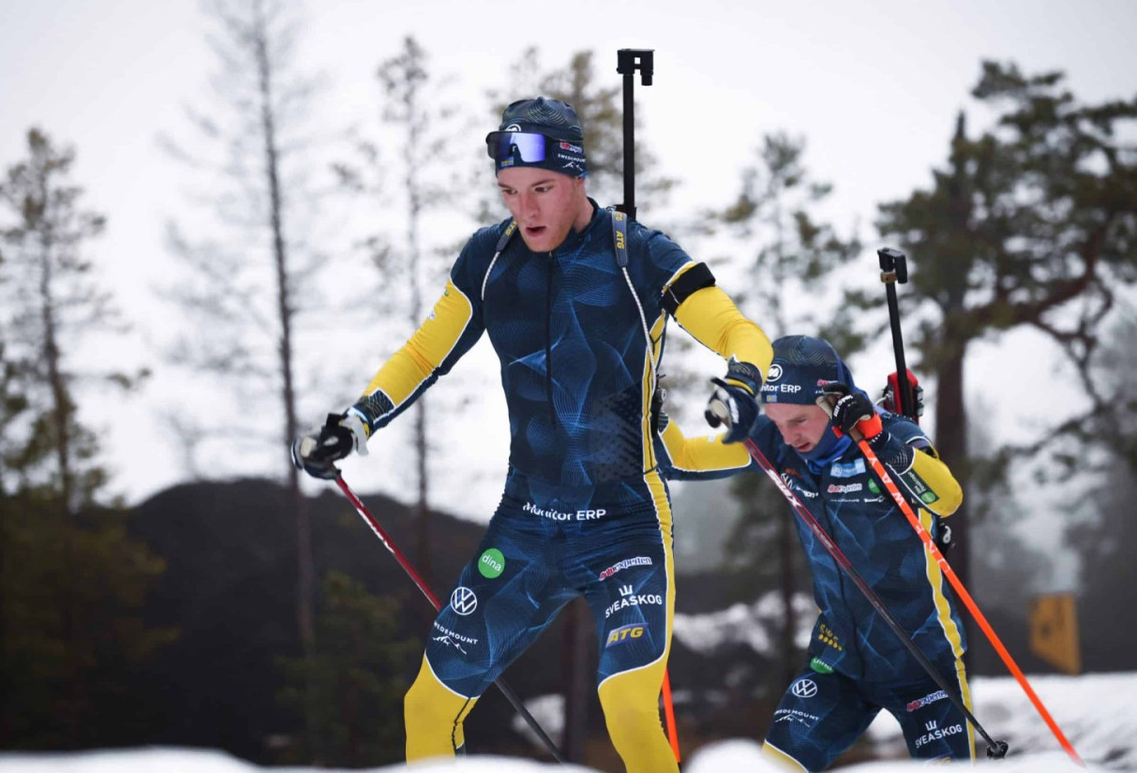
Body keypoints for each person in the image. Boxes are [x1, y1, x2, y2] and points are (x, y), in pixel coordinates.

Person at [291, 96, 773, 772]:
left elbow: (737, 330)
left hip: (625, 526)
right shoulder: (490, 259)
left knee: (629, 711)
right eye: (510, 192)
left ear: (578, 176)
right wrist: (358, 420)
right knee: (426, 707)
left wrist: (744, 382)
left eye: (542, 188)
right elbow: (425, 353)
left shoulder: (639, 255)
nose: (526, 210)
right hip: (528, 527)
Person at [657, 335, 971, 770]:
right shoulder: (776, 444)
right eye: (776, 421)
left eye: (800, 420)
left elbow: (947, 498)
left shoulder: (888, 434)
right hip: (837, 663)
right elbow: (681, 458)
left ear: (832, 402)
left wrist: (881, 441)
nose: (789, 436)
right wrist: (651, 416)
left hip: (922, 663)